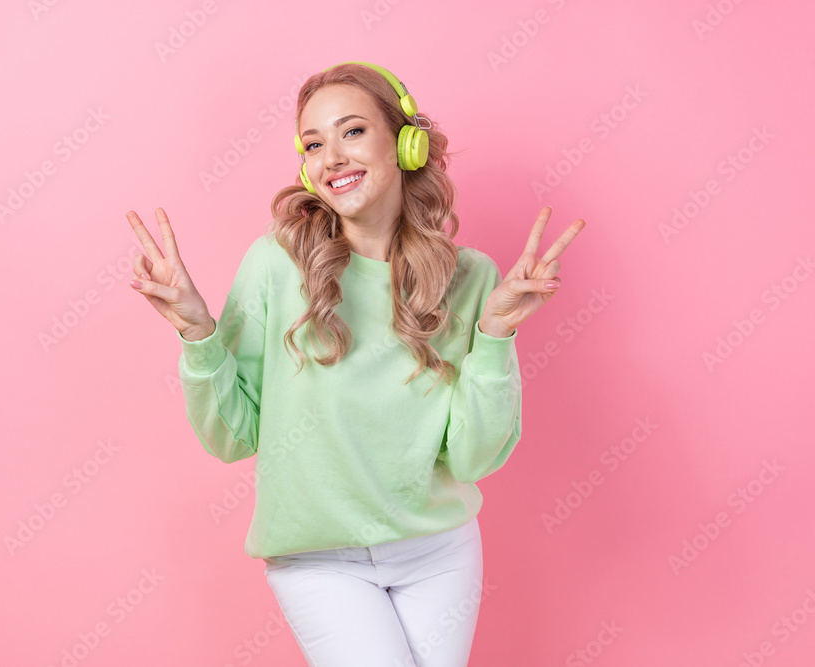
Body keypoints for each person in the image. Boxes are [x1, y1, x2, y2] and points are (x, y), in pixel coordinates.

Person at [126, 61, 585, 667]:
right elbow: (233, 437)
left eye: (352, 132)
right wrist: (197, 331)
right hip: (318, 558)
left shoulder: (473, 279)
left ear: (405, 143)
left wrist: (495, 334)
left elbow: (474, 457)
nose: (332, 157)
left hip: (438, 551)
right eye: (314, 144)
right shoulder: (275, 264)